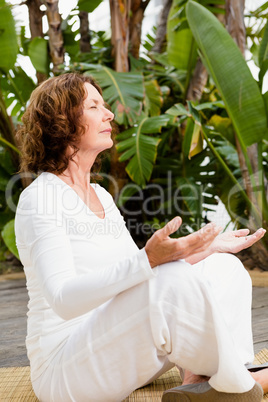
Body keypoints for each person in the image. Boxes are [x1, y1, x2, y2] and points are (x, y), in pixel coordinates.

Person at [14, 72, 267, 402]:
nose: (109, 114)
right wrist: (149, 259)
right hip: (67, 371)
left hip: (117, 346)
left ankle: (200, 382)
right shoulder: (40, 199)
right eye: (94, 106)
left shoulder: (101, 195)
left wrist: (206, 248)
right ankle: (246, 382)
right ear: (60, 120)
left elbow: (133, 274)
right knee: (170, 279)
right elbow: (64, 299)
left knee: (224, 269)